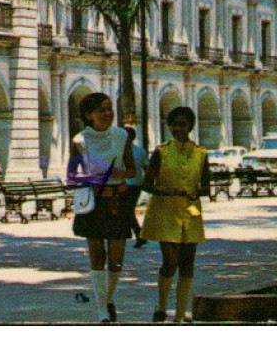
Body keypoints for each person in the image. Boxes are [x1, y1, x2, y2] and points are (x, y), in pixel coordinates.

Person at [68, 92, 138, 323]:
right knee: (97, 257)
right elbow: (72, 174)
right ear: (89, 115)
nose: (108, 114)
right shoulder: (79, 140)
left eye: (110, 108)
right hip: (94, 203)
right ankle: (101, 311)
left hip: (117, 202)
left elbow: (132, 171)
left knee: (116, 258)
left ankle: (107, 298)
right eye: (102, 110)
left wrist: (121, 173)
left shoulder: (121, 136)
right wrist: (88, 178)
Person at [140, 106, 210, 323]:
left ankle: (180, 316)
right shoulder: (161, 151)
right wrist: (166, 190)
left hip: (190, 211)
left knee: (188, 263)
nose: (177, 128)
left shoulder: (201, 153)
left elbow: (206, 187)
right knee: (170, 262)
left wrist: (196, 192)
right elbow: (147, 184)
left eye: (182, 124)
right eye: (173, 124)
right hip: (165, 211)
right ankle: (161, 305)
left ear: (190, 127)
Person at [123, 119, 149, 247]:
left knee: (126, 210)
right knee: (127, 210)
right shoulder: (141, 151)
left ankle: (138, 235)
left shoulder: (119, 151)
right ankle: (137, 235)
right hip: (136, 184)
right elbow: (146, 168)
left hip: (126, 185)